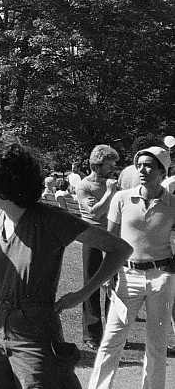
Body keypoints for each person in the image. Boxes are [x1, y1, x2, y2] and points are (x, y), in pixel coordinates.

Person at [0, 138, 131, 389]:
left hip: (35, 333)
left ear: (6, 183)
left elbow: (120, 249)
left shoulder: (50, 219)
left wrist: (83, 294)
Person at [88, 146, 175, 389]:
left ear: (162, 169)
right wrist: (108, 275)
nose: (142, 170)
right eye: (139, 165)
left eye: (149, 165)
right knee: (112, 339)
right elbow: (111, 239)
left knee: (157, 344)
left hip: (162, 278)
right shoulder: (121, 198)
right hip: (127, 276)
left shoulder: (172, 204)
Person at [75, 145, 120, 350]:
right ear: (98, 164)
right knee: (92, 285)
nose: (113, 169)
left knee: (116, 286)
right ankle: (92, 334)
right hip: (92, 237)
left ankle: (113, 331)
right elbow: (94, 213)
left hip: (112, 238)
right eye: (109, 165)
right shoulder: (84, 186)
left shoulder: (115, 185)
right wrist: (110, 192)